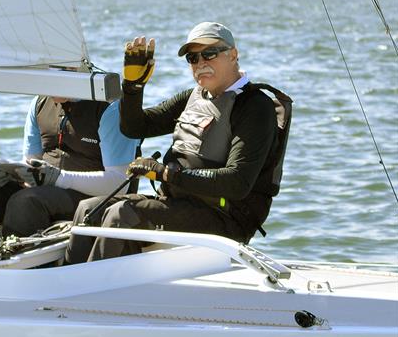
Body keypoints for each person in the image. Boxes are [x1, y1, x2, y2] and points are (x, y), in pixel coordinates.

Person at [74, 21, 285, 261]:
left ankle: (89, 292)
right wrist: (133, 86)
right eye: (193, 58)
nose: (201, 63)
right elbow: (134, 127)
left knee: (123, 214)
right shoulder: (192, 97)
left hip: (225, 219)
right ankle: (63, 288)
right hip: (177, 206)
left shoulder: (255, 107)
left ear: (233, 55)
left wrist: (167, 174)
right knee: (88, 210)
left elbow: (237, 182)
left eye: (210, 53)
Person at [0, 94, 140, 247]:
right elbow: (31, 164)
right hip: (47, 187)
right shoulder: (39, 103)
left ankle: (15, 262)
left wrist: (59, 178)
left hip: (90, 195)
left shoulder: (109, 108)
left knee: (25, 201)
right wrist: (8, 175)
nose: (47, 90)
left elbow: (119, 184)